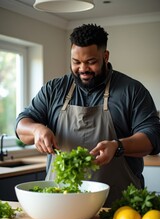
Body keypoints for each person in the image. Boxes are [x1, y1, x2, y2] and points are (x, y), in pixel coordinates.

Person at [15, 24, 160, 207]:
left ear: (105, 56)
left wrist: (117, 146)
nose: (83, 68)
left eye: (91, 62)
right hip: (60, 202)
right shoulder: (54, 89)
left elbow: (153, 136)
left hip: (118, 206)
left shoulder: (132, 90)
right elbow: (22, 124)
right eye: (76, 62)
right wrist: (36, 129)